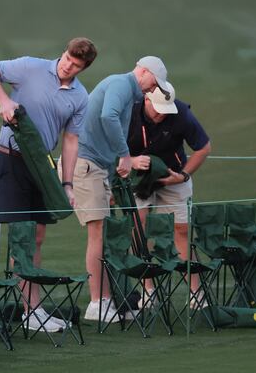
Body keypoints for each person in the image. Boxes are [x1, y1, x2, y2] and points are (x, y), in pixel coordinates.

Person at [0, 37, 97, 332]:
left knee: (36, 236)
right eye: (67, 58)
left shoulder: (79, 97)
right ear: (63, 53)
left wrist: (68, 184)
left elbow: (71, 142)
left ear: (83, 68)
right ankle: (29, 311)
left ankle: (31, 309)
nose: (67, 66)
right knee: (22, 234)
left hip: (42, 165)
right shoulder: (29, 67)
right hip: (11, 159)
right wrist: (4, 100)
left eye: (75, 65)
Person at [73, 56, 172, 322]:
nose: (154, 89)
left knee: (104, 233)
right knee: (97, 234)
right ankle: (98, 304)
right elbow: (108, 116)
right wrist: (125, 155)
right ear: (143, 72)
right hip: (87, 164)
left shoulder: (132, 93)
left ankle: (111, 300)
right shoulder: (120, 83)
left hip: (99, 167)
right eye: (154, 82)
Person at [126, 84, 211, 299]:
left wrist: (182, 176)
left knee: (180, 231)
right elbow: (110, 145)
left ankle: (196, 292)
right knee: (139, 228)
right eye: (158, 108)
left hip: (173, 176)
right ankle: (148, 290)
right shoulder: (129, 112)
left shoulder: (181, 114)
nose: (162, 113)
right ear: (146, 100)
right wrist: (132, 161)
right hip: (139, 178)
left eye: (166, 109)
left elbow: (203, 148)